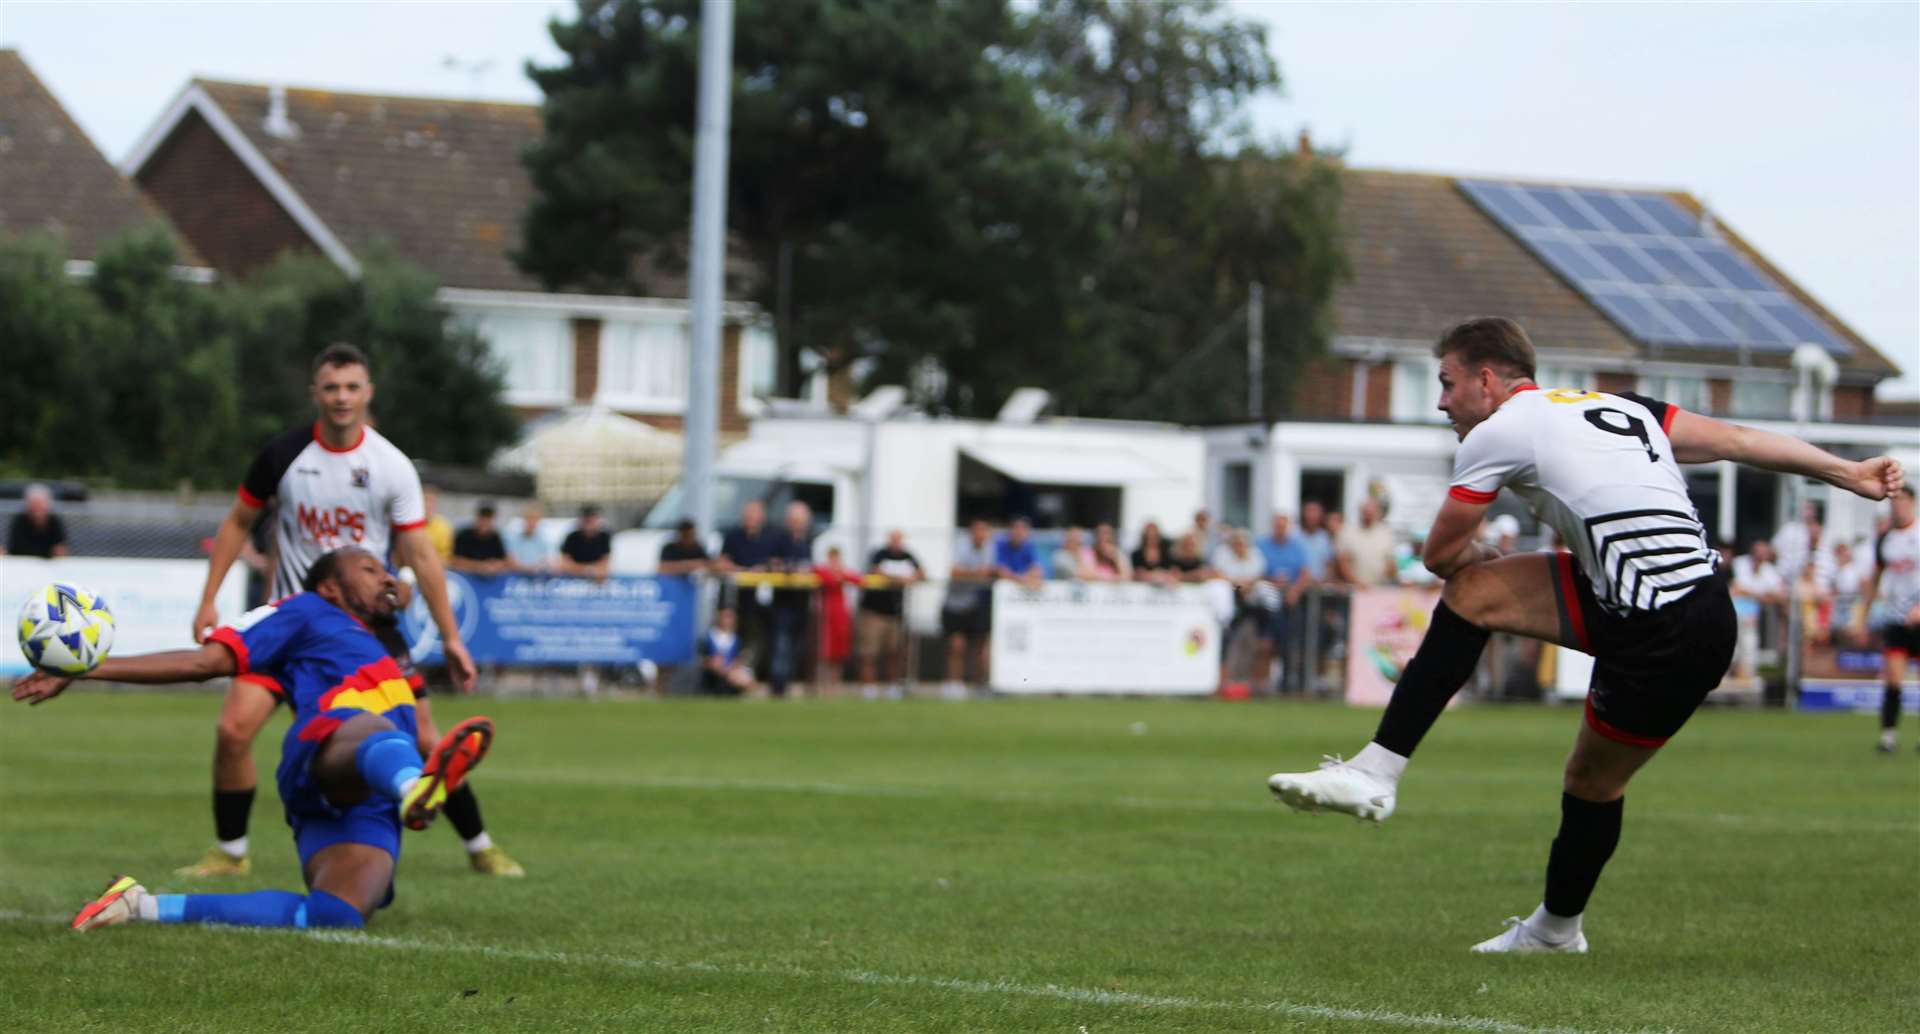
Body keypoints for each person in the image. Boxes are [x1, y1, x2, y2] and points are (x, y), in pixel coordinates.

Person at [1266, 316, 1902, 954]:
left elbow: (1438, 554)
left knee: (1592, 782)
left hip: (1666, 628)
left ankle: (1554, 932)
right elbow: (1737, 438)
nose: (1440, 401)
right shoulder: (1619, 405)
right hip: (1677, 602)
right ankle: (1378, 773)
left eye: (1447, 382)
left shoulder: (1499, 429)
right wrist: (1849, 473)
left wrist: (1477, 549)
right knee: (1476, 596)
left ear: (1486, 381)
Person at [15, 547, 496, 931]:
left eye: (385, 570)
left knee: (336, 915)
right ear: (330, 587)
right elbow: (204, 663)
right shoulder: (305, 610)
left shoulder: (388, 651)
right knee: (373, 725)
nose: (384, 576)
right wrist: (87, 668)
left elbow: (411, 596)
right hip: (326, 749)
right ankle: (416, 786)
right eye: (368, 568)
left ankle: (136, 906)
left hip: (372, 797)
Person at [183, 344, 517, 880]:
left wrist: (449, 635)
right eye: (332, 388)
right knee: (232, 731)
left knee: (429, 742)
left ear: (368, 393)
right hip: (289, 624)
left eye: (351, 387)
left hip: (367, 634)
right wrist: (209, 596)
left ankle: (481, 846)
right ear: (316, 393)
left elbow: (421, 552)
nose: (341, 398)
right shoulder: (282, 455)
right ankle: (230, 851)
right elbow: (239, 522)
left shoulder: (390, 465)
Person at [1864, 486, 1919, 752]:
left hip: (1919, 618)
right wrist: (1863, 613)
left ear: (1913, 504)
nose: (1898, 507)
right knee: (1894, 680)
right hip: (1896, 618)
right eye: (1894, 502)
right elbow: (1875, 578)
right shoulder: (1885, 539)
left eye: (1902, 502)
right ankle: (1888, 737)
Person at [859, 530, 923, 697]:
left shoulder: (907, 556)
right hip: (874, 612)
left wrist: (912, 577)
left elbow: (921, 573)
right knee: (870, 652)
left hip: (895, 613)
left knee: (894, 651)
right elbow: (876, 570)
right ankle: (869, 688)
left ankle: (892, 686)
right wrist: (899, 579)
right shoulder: (879, 554)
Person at [765, 501, 817, 697]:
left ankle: (786, 683)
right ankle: (778, 687)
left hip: (801, 603)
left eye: (801, 521)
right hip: (782, 604)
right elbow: (772, 563)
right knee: (781, 645)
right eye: (795, 520)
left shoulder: (807, 542)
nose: (798, 524)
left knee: (795, 646)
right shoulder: (779, 540)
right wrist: (788, 569)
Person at [943, 519, 997, 695]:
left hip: (976, 604)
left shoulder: (990, 549)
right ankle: (953, 683)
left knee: (979, 647)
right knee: (956, 646)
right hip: (956, 604)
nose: (981, 535)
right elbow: (954, 571)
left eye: (984, 531)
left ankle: (977, 684)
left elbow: (991, 571)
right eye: (978, 531)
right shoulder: (960, 547)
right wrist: (976, 574)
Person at [813, 545, 856, 692]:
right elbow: (828, 579)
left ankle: (835, 685)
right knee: (825, 652)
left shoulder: (842, 571)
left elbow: (858, 579)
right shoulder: (822, 570)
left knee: (839, 653)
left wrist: (841, 574)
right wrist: (838, 575)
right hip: (826, 617)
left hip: (840, 617)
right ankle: (823, 685)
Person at [1336, 497, 1400, 587]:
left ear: (1377, 512)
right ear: (1360, 511)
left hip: (1379, 589)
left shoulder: (1385, 533)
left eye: (1372, 511)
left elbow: (1391, 563)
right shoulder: (1347, 531)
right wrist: (1357, 584)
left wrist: (1389, 573)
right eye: (1366, 511)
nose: (1368, 514)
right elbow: (1342, 562)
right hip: (1354, 589)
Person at [697, 605, 754, 695]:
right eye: (725, 616)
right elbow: (701, 657)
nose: (728, 620)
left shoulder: (736, 639)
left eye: (731, 617)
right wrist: (711, 662)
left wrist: (735, 665)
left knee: (745, 676)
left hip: (730, 670)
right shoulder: (709, 637)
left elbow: (740, 658)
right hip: (713, 673)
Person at [4, 483, 70, 557]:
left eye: (40, 505)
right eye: (34, 505)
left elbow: (60, 546)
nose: (37, 510)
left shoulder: (54, 521)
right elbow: (16, 547)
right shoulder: (20, 520)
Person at [449, 502, 511, 576]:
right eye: (482, 517)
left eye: (488, 517)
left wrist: (494, 566)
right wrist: (479, 566)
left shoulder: (496, 537)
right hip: (465, 579)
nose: (485, 521)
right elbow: (454, 560)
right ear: (477, 517)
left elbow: (504, 561)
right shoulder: (463, 535)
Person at [558, 505, 612, 580]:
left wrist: (587, 570)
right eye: (587, 519)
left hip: (594, 580)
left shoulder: (604, 537)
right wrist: (587, 570)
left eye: (592, 519)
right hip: (572, 579)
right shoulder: (572, 537)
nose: (589, 522)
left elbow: (604, 565)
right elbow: (565, 563)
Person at [502, 503, 555, 572]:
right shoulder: (512, 539)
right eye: (529, 518)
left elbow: (548, 561)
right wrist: (528, 569)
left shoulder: (544, 540)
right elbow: (510, 561)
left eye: (535, 519)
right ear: (524, 519)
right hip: (517, 578)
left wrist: (537, 567)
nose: (532, 522)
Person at [995, 516, 1044, 587]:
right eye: (1016, 528)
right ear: (1009, 530)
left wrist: (1028, 577)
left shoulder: (1029, 547)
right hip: (1003, 588)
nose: (1019, 532)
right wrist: (1021, 579)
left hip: (1020, 585)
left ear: (1027, 532)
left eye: (1022, 529)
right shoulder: (1000, 545)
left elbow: (1037, 570)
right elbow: (1001, 571)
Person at [1296, 501, 1334, 582]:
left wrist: (1325, 580)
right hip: (1297, 585)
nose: (1311, 516)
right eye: (1309, 511)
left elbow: (1329, 564)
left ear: (1320, 516)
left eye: (1315, 512)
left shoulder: (1325, 538)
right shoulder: (1294, 536)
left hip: (1319, 585)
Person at [420, 486, 455, 561]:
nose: (428, 505)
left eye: (432, 501)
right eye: (425, 500)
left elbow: (446, 557)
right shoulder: (408, 523)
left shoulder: (444, 526)